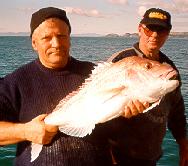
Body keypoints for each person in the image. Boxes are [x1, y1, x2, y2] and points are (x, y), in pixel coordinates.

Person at [0, 7, 113, 165]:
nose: (57, 43)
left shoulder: (96, 74)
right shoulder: (16, 81)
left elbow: (115, 125)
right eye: (47, 38)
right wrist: (25, 131)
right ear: (34, 43)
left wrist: (127, 111)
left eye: (62, 36)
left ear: (69, 39)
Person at [107, 8, 188, 166]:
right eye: (150, 29)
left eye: (161, 30)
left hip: (150, 158)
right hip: (117, 157)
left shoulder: (169, 69)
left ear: (168, 34)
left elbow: (177, 111)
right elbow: (97, 108)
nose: (155, 35)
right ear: (140, 29)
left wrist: (183, 144)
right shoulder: (120, 61)